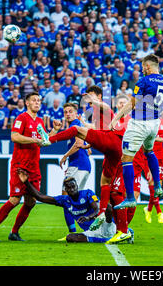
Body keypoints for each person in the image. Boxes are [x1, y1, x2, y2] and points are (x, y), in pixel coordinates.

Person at [37, 86, 133, 243]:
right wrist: (88, 144)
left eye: (92, 95)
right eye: (87, 96)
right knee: (106, 183)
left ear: (99, 97)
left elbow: (106, 108)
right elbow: (97, 130)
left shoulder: (104, 108)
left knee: (75, 129)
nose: (88, 98)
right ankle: (103, 215)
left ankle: (49, 140)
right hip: (113, 151)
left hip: (113, 143)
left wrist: (94, 101)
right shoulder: (97, 116)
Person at [0, 92, 61, 242]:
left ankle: (14, 232)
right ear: (27, 103)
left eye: (39, 100)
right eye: (34, 100)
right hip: (20, 166)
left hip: (34, 167)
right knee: (14, 199)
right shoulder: (21, 118)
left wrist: (55, 131)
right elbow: (14, 136)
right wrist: (33, 139)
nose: (37, 103)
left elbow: (44, 141)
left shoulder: (39, 121)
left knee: (31, 202)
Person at [109, 54, 163, 210]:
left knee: (126, 159)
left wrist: (115, 119)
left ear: (147, 66)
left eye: (143, 68)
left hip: (139, 123)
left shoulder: (144, 81)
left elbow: (132, 103)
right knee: (149, 151)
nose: (142, 70)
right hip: (154, 124)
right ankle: (158, 186)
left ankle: (129, 198)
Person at [17, 171, 123, 244]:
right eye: (69, 188)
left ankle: (114, 233)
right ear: (66, 190)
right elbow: (40, 197)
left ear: (77, 186)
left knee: (108, 207)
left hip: (105, 225)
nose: (72, 189)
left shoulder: (87, 193)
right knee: (70, 238)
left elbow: (97, 209)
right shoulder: (64, 200)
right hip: (91, 231)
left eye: (73, 186)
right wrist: (26, 182)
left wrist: (89, 218)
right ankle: (105, 239)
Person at [58, 102, 91, 234]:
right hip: (83, 165)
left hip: (78, 165)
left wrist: (65, 156)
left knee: (66, 199)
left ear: (76, 113)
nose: (67, 114)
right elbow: (88, 148)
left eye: (70, 111)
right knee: (79, 201)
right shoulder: (79, 125)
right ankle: (88, 231)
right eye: (65, 112)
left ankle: (72, 232)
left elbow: (78, 143)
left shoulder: (75, 125)